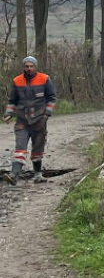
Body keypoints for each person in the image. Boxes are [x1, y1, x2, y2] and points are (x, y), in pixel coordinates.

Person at [3, 56, 56, 185]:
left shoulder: (44, 79)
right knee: (20, 147)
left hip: (39, 120)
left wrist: (47, 114)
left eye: (31, 66)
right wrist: (9, 113)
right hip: (22, 120)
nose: (29, 69)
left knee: (38, 148)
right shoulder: (17, 81)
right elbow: (12, 101)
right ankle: (14, 175)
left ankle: (37, 174)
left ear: (35, 67)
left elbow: (52, 98)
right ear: (23, 67)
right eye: (26, 66)